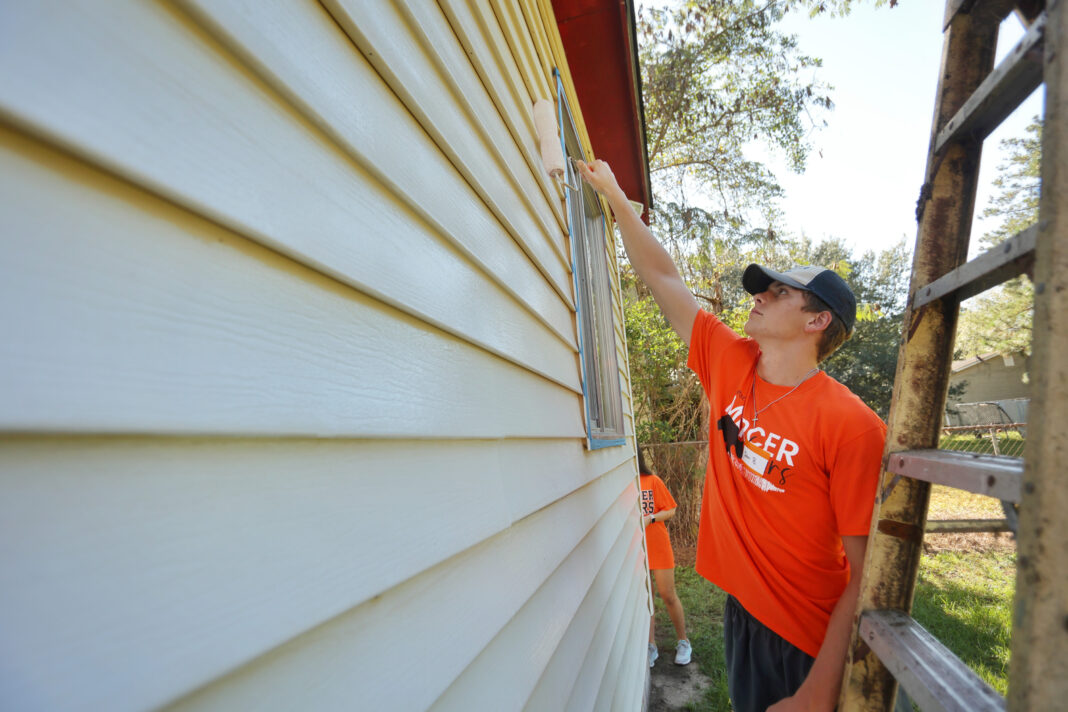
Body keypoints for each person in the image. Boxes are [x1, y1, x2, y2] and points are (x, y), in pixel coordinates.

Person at [576, 159, 886, 712]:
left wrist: (817, 693)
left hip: (810, 638)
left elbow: (868, 574)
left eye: (780, 292)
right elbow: (664, 278)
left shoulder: (853, 425)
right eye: (763, 288)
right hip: (742, 612)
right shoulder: (731, 360)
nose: (760, 295)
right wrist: (619, 200)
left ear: (818, 322)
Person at [638, 449, 691, 669]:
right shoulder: (624, 484)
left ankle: (684, 642)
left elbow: (670, 510)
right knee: (646, 599)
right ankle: (651, 646)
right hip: (636, 550)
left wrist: (651, 518)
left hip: (658, 546)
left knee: (667, 594)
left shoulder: (652, 480)